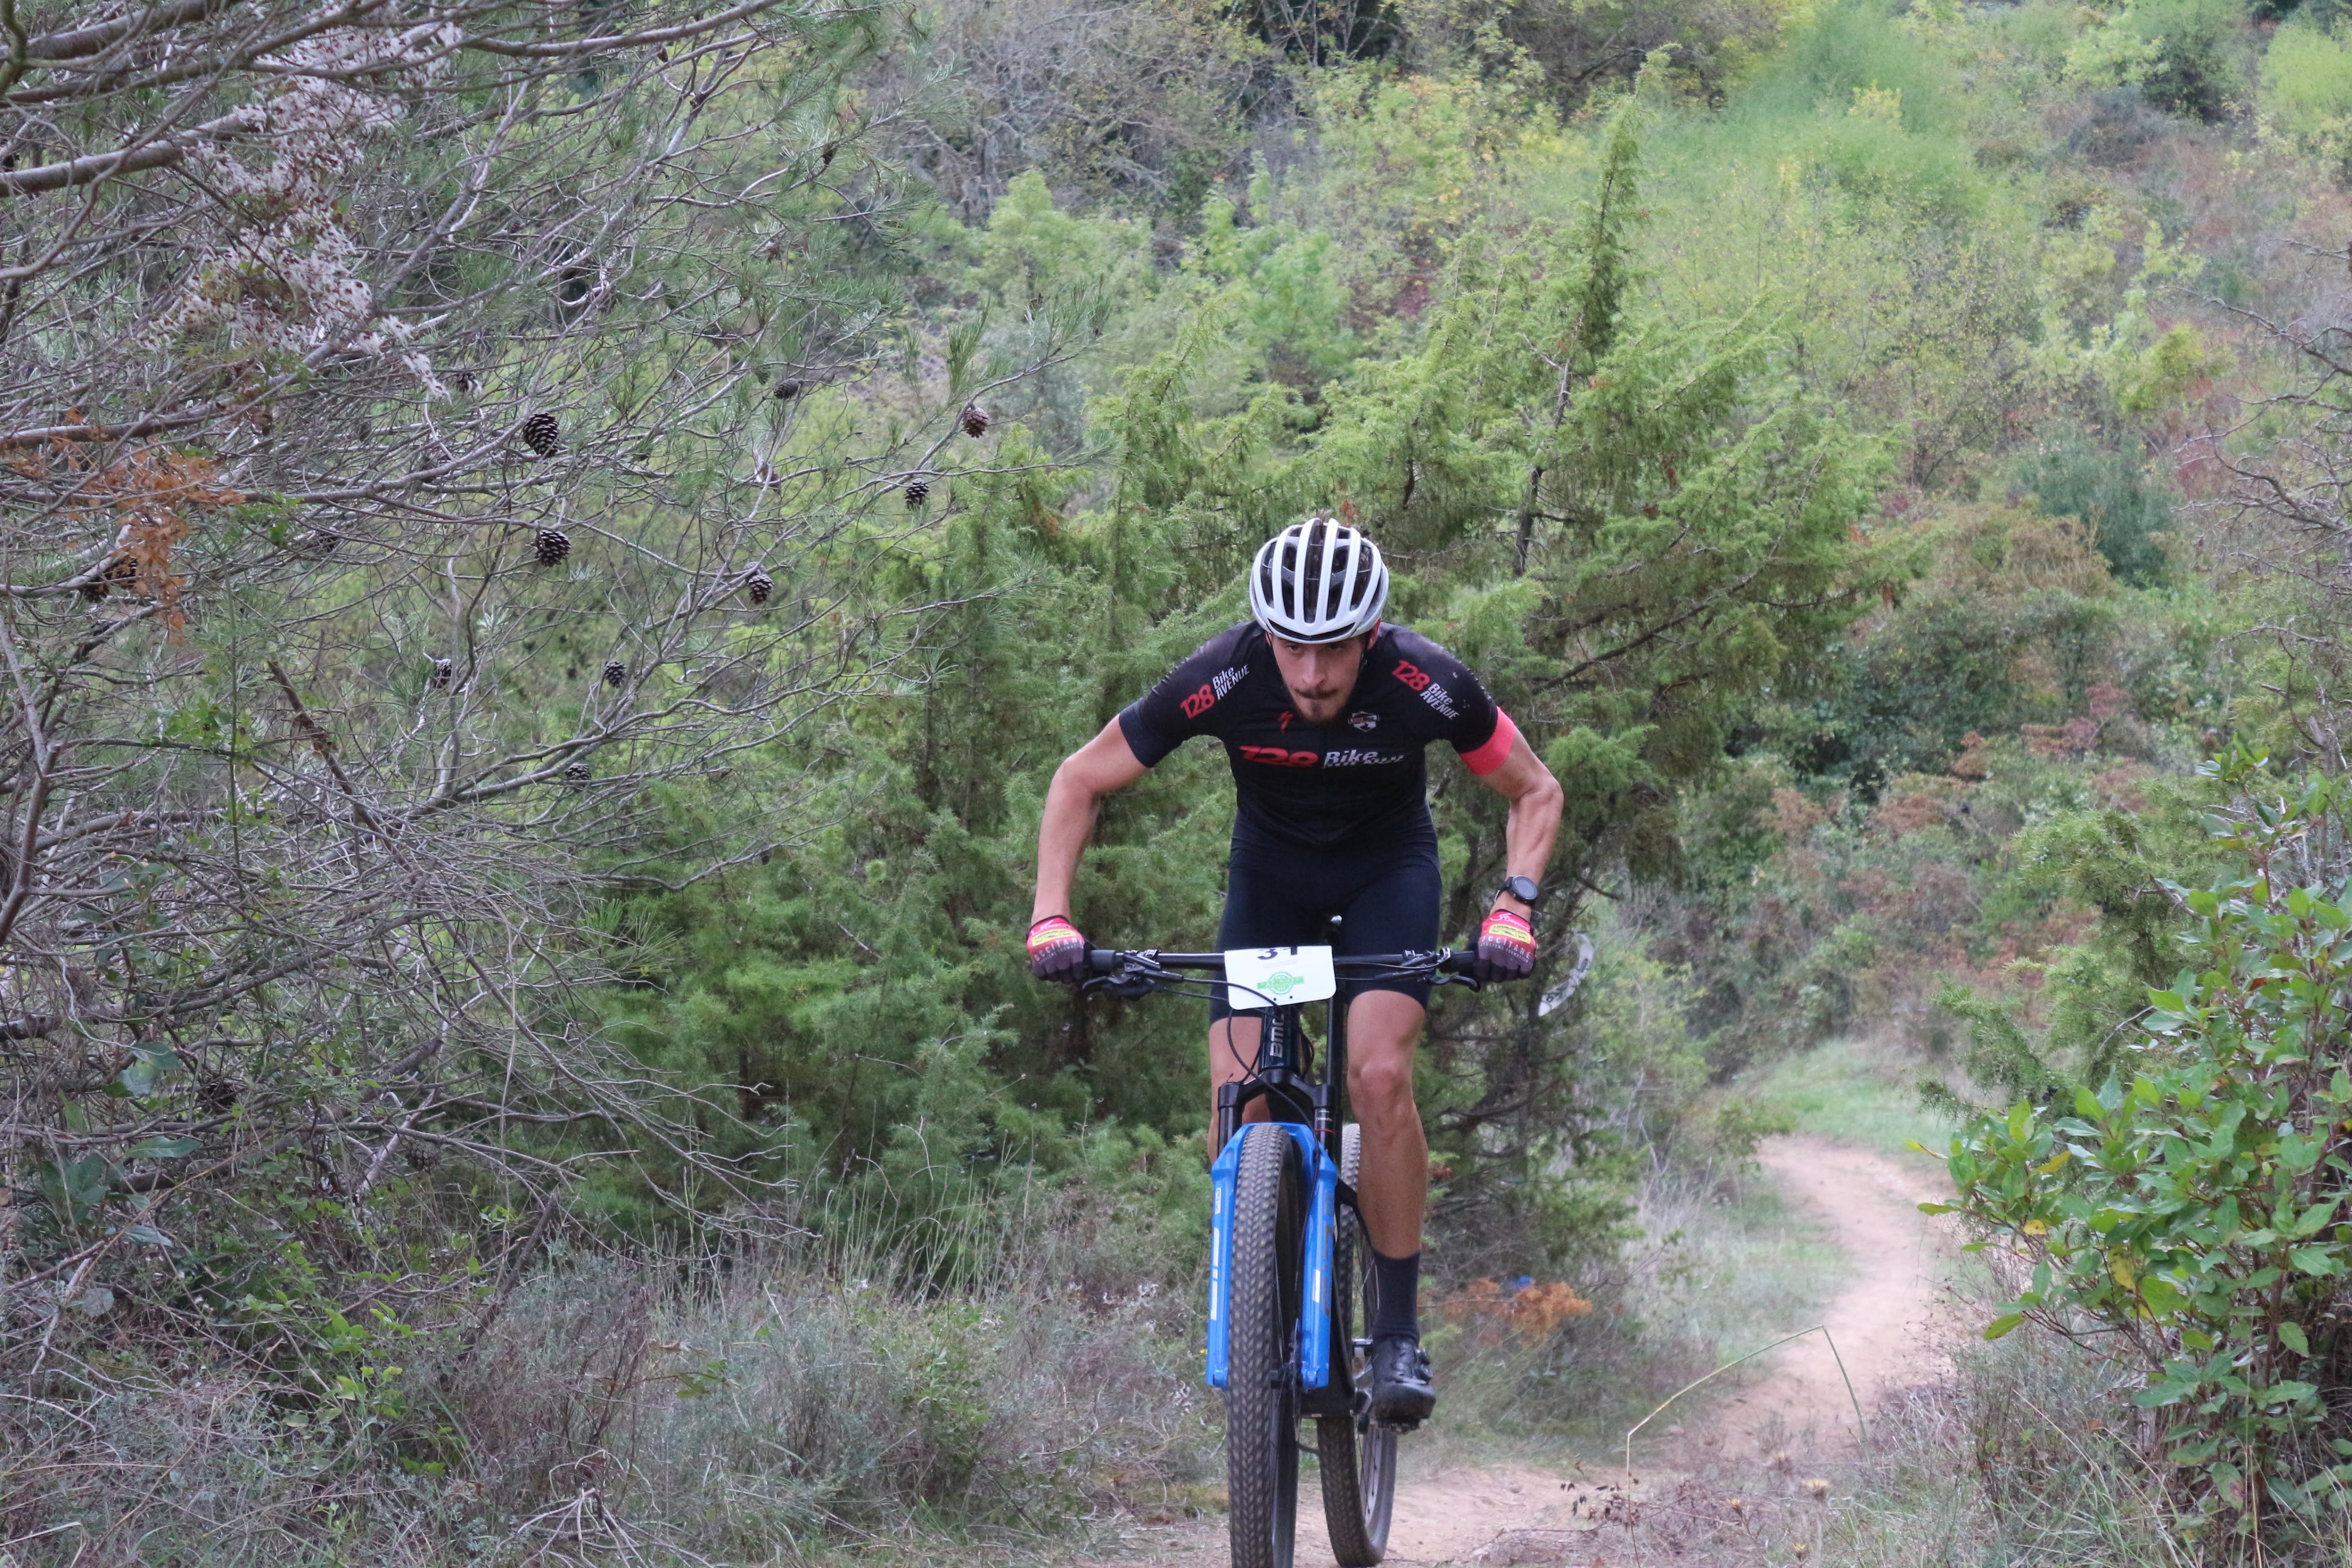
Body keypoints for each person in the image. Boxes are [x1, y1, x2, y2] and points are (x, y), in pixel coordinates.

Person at [1024, 516, 1565, 1424]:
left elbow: (1534, 788)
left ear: (1371, 635)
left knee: (1378, 1074)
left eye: (1334, 650)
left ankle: (1394, 1332)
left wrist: (1512, 905)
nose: (1311, 675)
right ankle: (1265, 1305)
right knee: (1237, 1107)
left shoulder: (1422, 678)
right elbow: (1079, 779)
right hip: (1272, 885)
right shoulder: (1224, 675)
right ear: (1264, 634)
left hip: (1385, 878)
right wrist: (1051, 915)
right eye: (1292, 648)